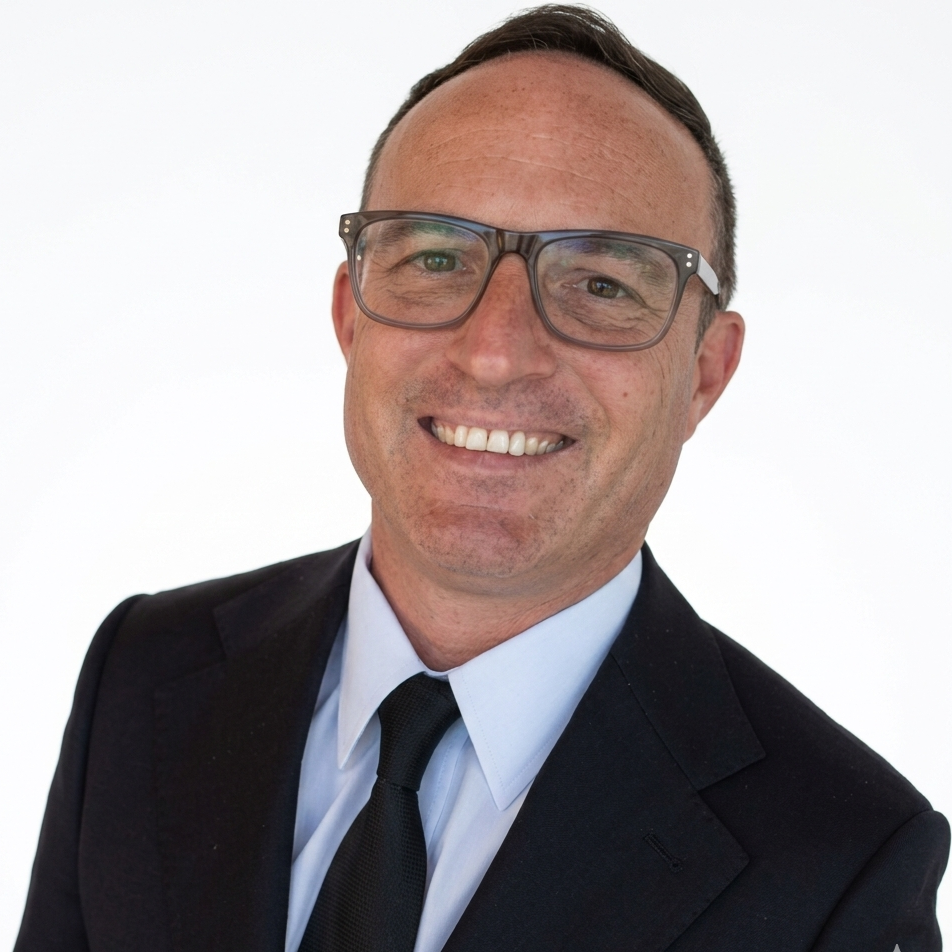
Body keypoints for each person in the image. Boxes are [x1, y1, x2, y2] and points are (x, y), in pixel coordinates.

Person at [14, 5, 948, 951]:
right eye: (436, 258)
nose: (496, 352)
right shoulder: (144, 676)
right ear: (351, 316)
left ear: (705, 371)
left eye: (602, 283)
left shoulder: (841, 864)